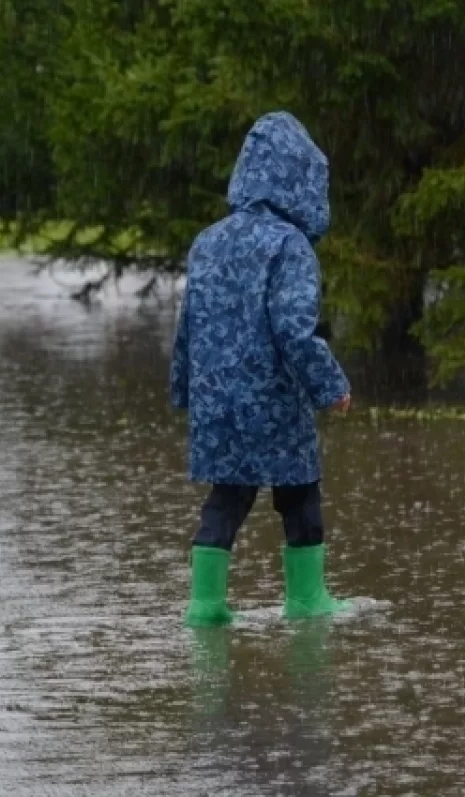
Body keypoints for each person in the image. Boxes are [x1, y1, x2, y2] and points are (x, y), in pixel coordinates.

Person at [170, 111, 352, 627]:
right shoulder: (288, 246)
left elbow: (187, 324)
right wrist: (330, 387)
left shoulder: (207, 241)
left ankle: (205, 606)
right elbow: (294, 331)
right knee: (299, 499)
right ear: (302, 181)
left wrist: (184, 389)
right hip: (274, 401)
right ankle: (307, 600)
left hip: (218, 401)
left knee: (226, 500)